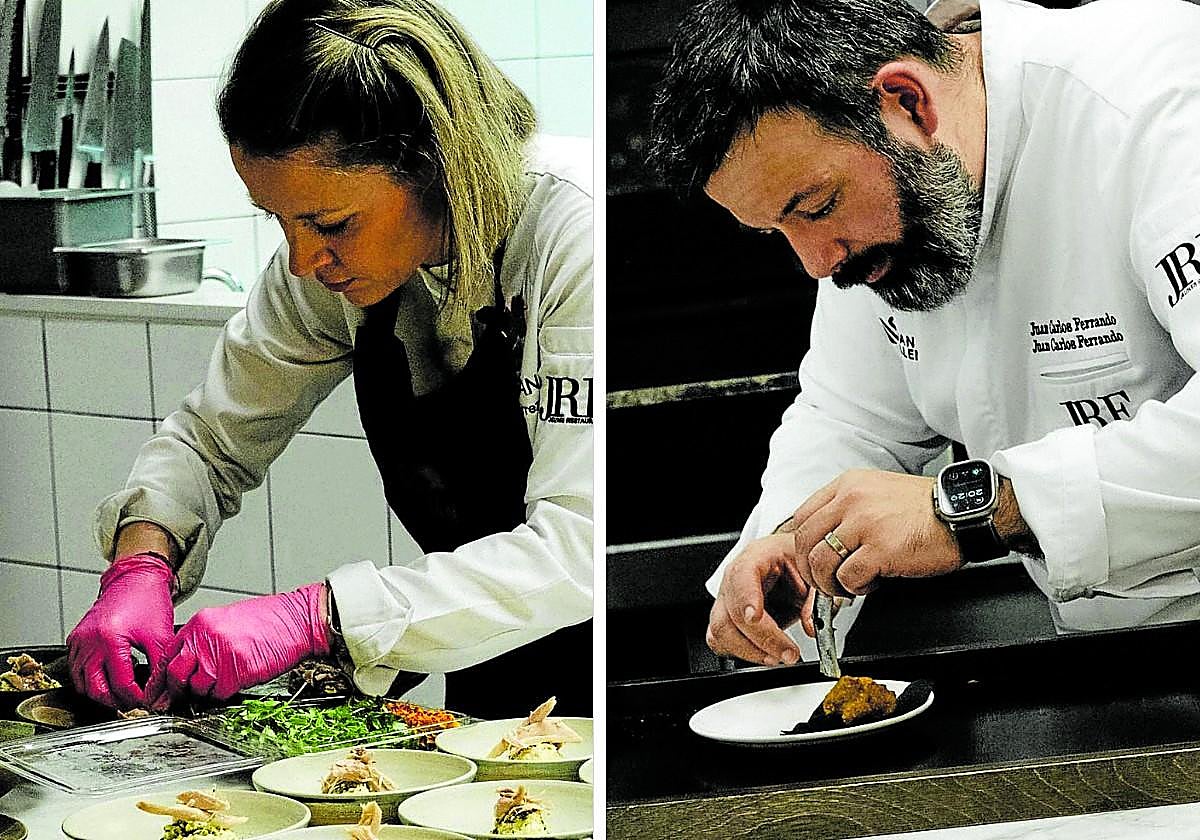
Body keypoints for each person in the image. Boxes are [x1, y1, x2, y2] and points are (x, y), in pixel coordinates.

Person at [66, 0, 593, 718]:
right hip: (487, 658)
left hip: (612, 659)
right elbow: (213, 438)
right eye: (280, 221)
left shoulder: (573, 234)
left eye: (329, 223)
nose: (304, 260)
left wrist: (319, 617)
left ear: (434, 162)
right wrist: (142, 558)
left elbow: (576, 548)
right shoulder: (325, 264)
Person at [648, 0, 1200, 668]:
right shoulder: (877, 199)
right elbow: (855, 420)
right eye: (776, 232)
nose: (818, 263)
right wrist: (788, 545)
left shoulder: (1158, 99)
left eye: (817, 208)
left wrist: (973, 509)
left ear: (909, 101)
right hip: (1111, 660)